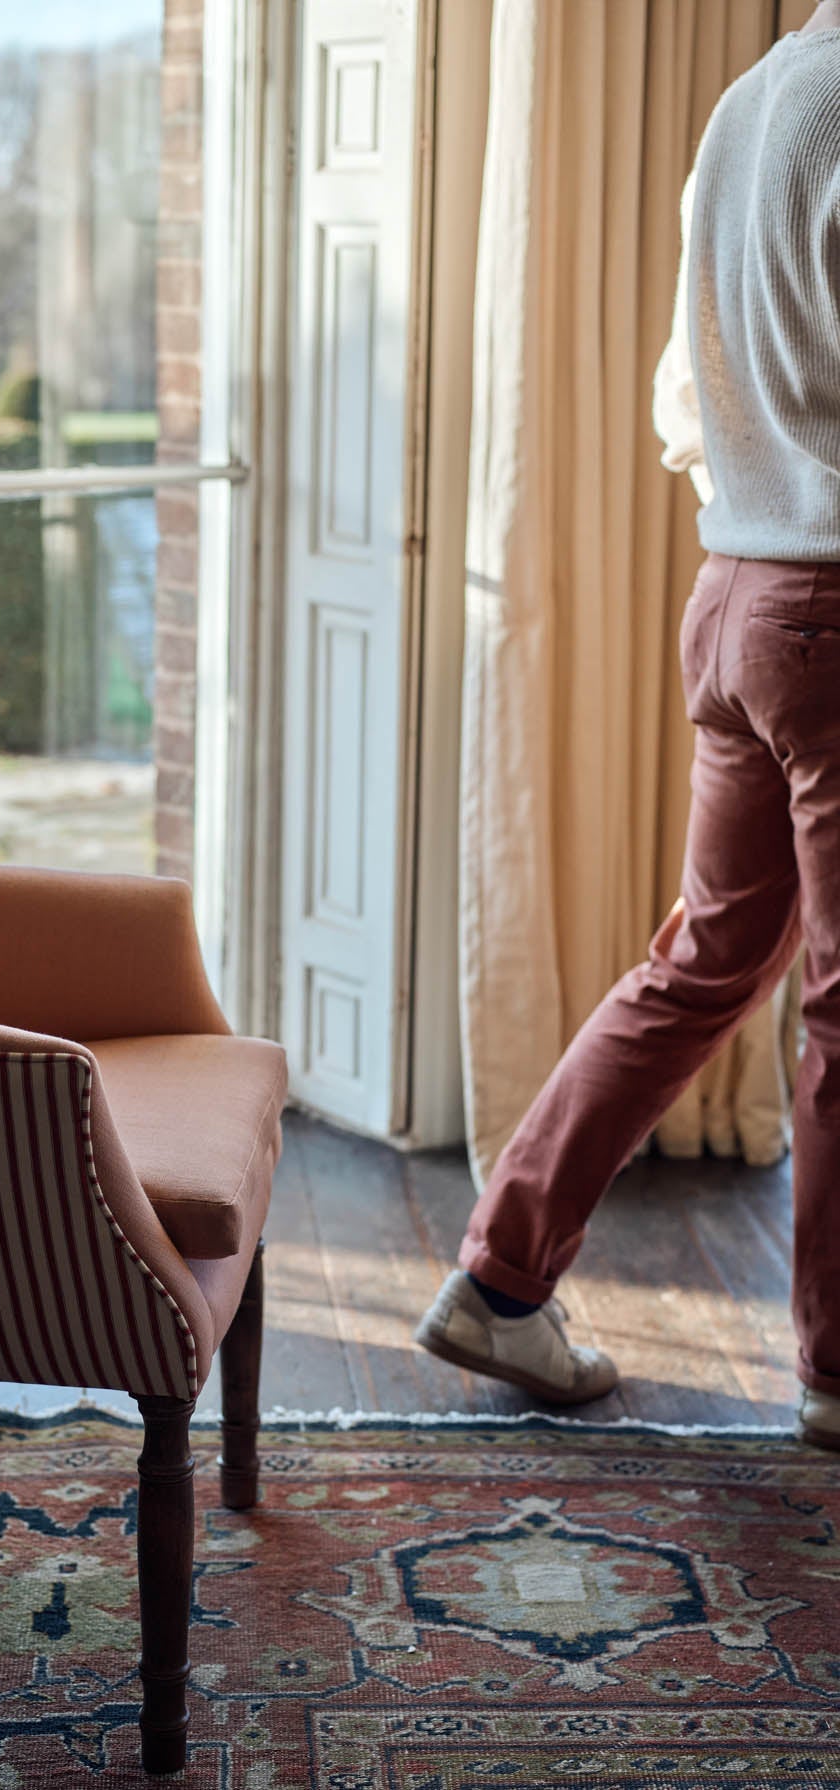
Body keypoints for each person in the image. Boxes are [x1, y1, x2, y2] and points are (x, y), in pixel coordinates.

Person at [415, 1, 840, 1453]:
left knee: (706, 960)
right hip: (832, 606)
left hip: (737, 592)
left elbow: (685, 396)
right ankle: (839, 1372)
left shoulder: (746, 106)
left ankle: (499, 1276)